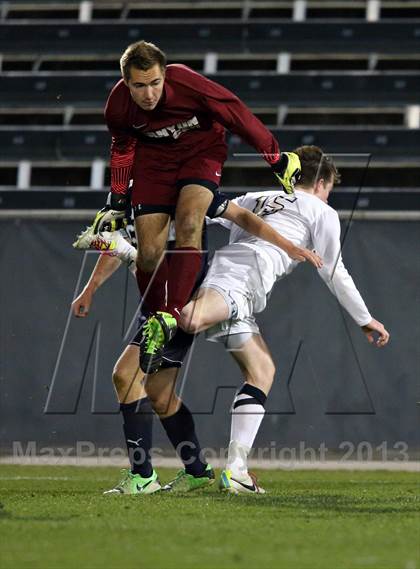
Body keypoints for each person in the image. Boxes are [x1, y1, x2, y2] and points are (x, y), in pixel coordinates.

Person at [164, 144, 389, 494]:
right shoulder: (320, 210)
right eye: (329, 188)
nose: (328, 195)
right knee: (190, 319)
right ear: (321, 182)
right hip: (246, 276)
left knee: (262, 372)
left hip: (230, 272)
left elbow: (206, 209)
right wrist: (365, 318)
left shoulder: (257, 196)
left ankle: (236, 470)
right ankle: (165, 318)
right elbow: (333, 271)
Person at [72, 191, 321, 494]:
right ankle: (197, 470)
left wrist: (286, 244)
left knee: (125, 376)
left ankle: (142, 476)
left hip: (178, 298)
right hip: (154, 292)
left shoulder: (186, 186)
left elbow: (240, 215)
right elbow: (118, 241)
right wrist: (90, 288)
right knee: (159, 393)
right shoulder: (127, 192)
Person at [92, 39, 302, 375]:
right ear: (126, 82)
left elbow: (236, 114)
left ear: (165, 76)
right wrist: (118, 200)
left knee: (190, 221)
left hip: (200, 154)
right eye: (139, 86)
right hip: (154, 162)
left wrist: (274, 156)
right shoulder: (117, 106)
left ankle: (168, 316)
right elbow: (122, 148)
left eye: (155, 83)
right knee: (147, 253)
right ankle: (154, 324)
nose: (149, 94)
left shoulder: (187, 82)